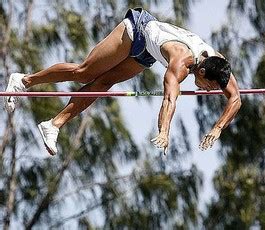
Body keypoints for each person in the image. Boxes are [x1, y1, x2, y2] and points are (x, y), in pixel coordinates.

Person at [4, 8, 242, 156]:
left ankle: (53, 125)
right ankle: (24, 80)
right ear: (200, 70)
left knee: (105, 82)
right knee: (85, 72)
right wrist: (164, 131)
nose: (209, 90)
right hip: (136, 31)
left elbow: (235, 98)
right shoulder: (180, 62)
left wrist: (218, 128)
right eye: (208, 86)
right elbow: (170, 99)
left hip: (149, 53)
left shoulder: (218, 65)